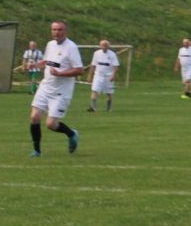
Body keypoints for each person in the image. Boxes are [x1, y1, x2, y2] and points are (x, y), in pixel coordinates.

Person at [27, 19, 83, 157]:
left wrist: (60, 74)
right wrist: (35, 65)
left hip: (61, 91)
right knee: (34, 117)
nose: (56, 32)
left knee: (51, 124)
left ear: (65, 31)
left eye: (60, 30)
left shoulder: (71, 47)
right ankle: (37, 151)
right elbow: (47, 61)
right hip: (46, 86)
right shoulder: (50, 44)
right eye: (54, 29)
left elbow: (79, 70)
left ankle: (71, 134)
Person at [87, 39, 121, 113]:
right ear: (100, 46)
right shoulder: (96, 53)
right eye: (102, 45)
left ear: (108, 46)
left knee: (109, 92)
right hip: (98, 75)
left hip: (108, 76)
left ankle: (109, 108)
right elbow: (93, 65)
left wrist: (113, 75)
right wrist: (90, 75)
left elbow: (116, 66)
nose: (104, 47)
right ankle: (93, 107)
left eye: (105, 45)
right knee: (94, 90)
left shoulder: (112, 54)